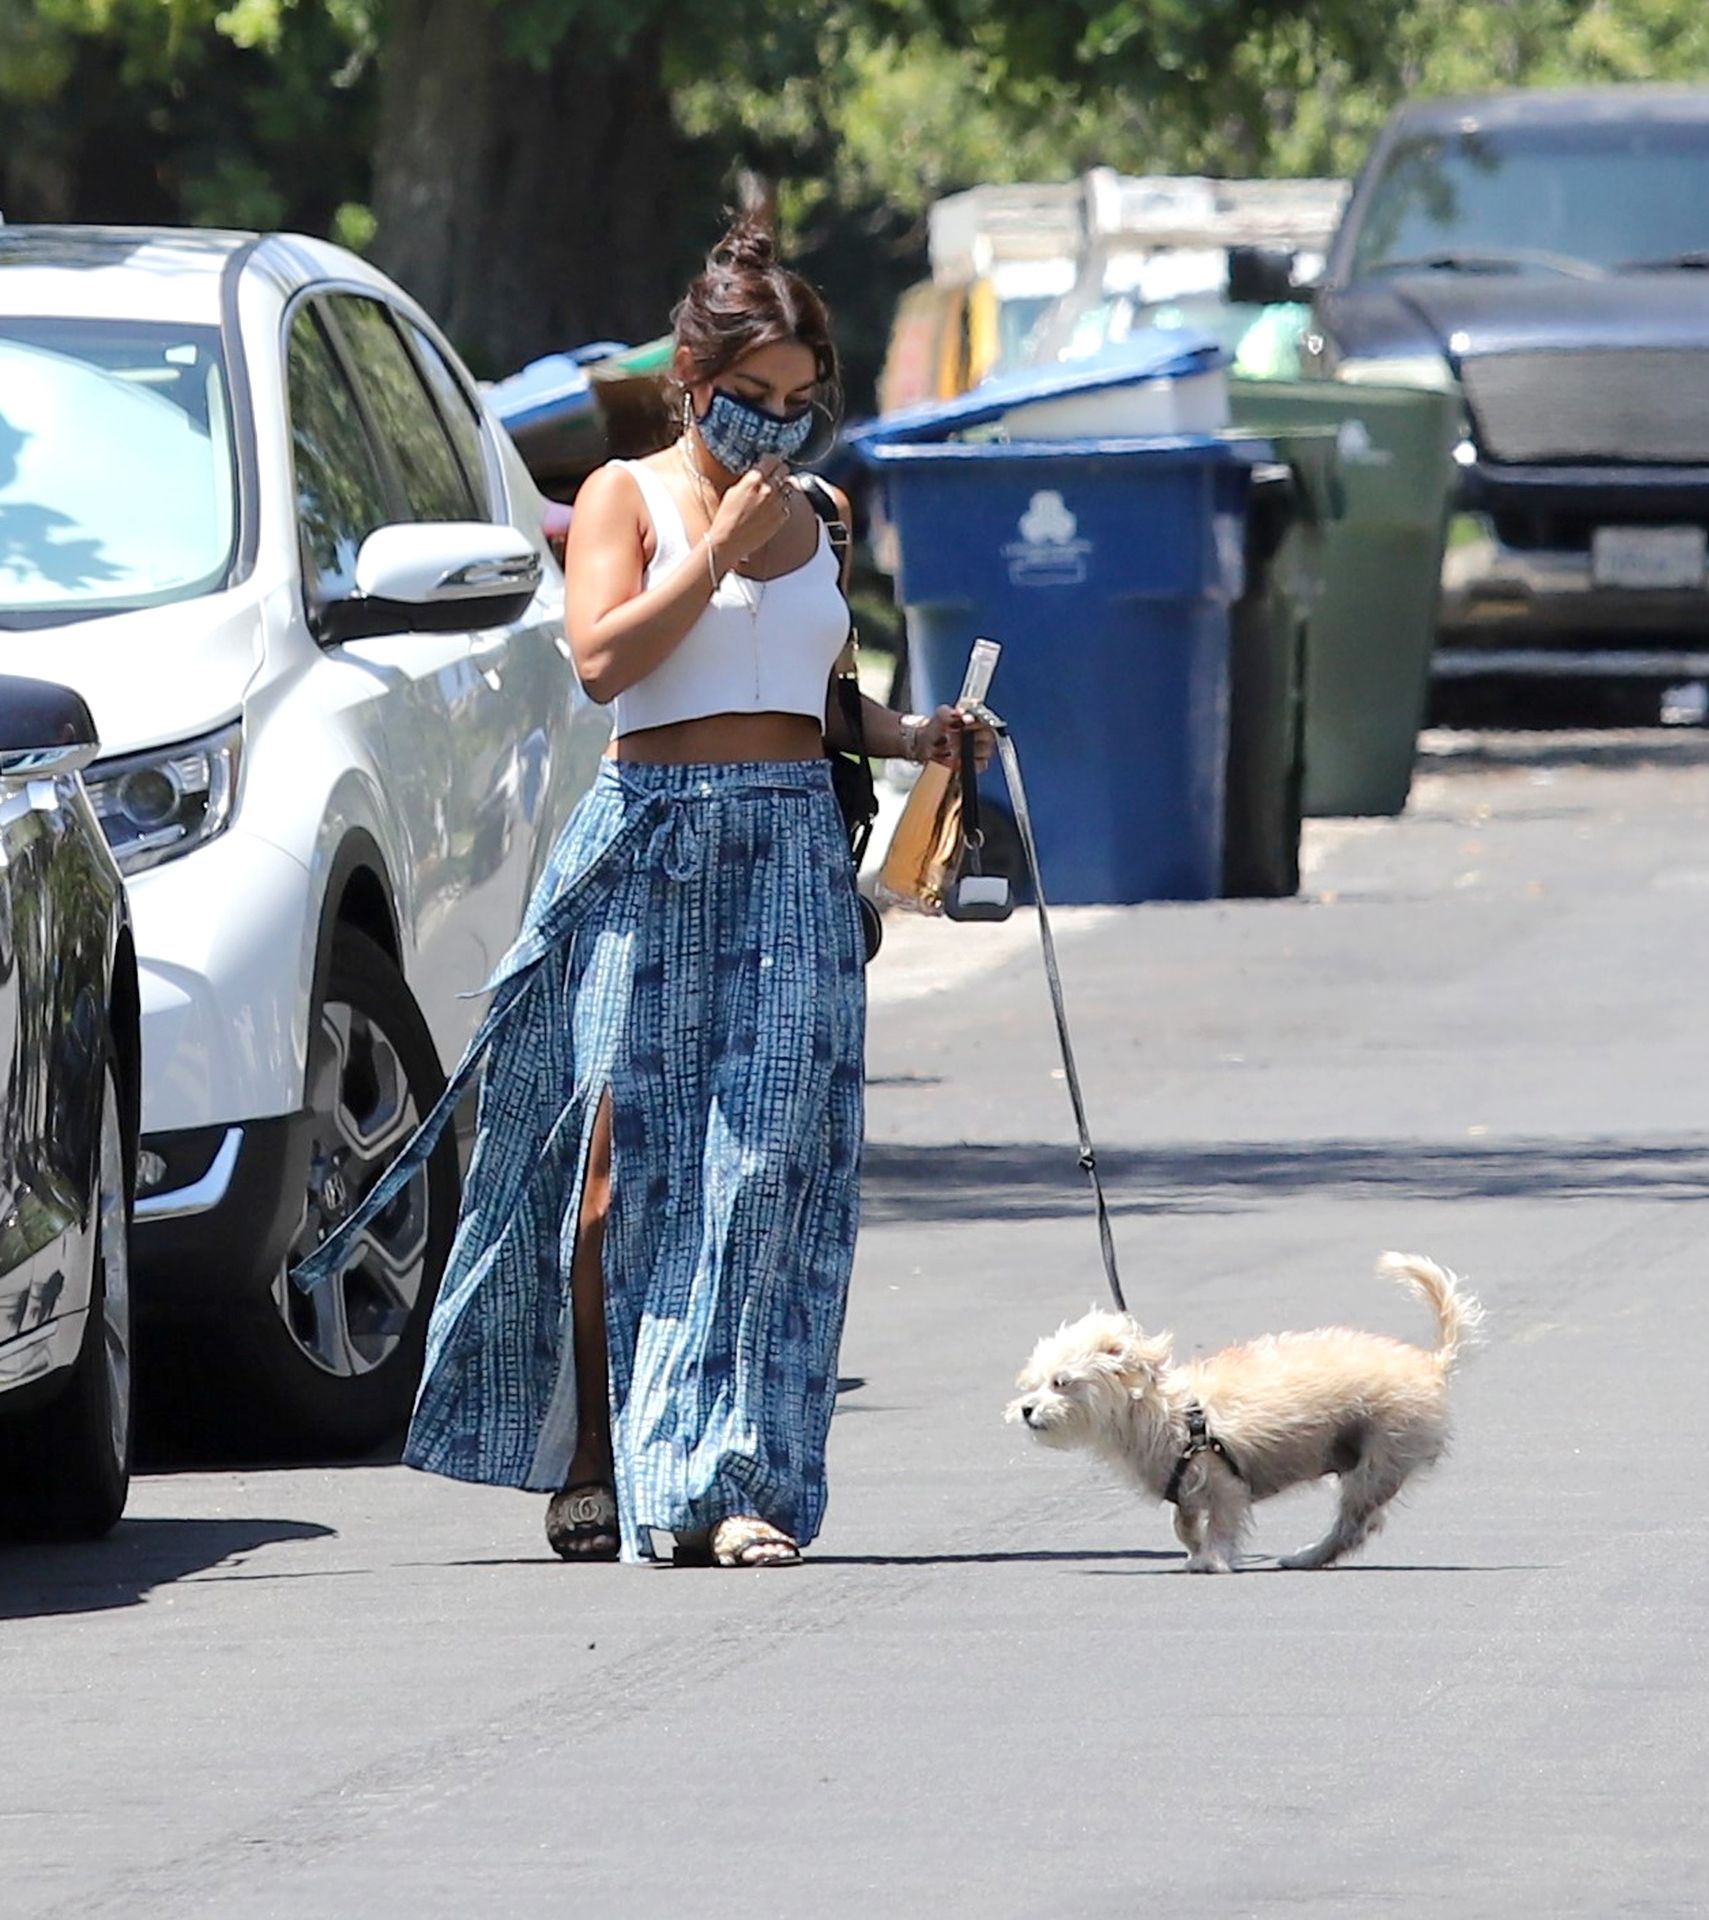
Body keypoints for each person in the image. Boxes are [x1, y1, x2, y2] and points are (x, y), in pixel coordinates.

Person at [295, 216, 990, 1566]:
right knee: (618, 1174)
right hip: (654, 841)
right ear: (690, 382)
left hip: (790, 847)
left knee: (767, 1170)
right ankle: (602, 1450)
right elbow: (607, 663)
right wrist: (714, 555)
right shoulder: (627, 497)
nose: (778, 429)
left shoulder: (821, 521)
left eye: (803, 405)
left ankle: (734, 1485)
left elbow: (814, 694)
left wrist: (916, 739)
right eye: (752, 400)